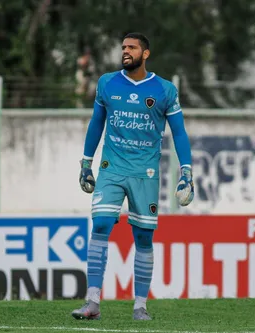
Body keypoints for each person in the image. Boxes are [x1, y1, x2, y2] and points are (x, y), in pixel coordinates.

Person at [72, 32, 194, 321]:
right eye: (123, 47)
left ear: (145, 53)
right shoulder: (107, 83)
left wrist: (186, 171)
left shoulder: (164, 90)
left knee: (142, 235)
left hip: (145, 172)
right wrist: (86, 163)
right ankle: (92, 303)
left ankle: (140, 305)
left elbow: (179, 132)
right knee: (100, 224)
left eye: (131, 47)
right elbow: (96, 124)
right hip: (111, 168)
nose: (125, 51)